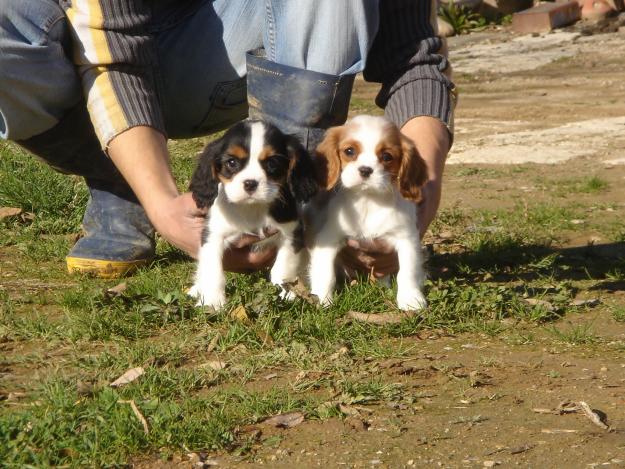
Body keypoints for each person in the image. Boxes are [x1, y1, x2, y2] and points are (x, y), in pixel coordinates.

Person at [0, 0, 455, 279]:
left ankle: (295, 208)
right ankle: (120, 177)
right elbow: (113, 50)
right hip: (98, 55)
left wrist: (422, 188)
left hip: (217, 57)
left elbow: (412, 55)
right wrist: (160, 203)